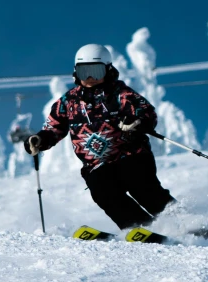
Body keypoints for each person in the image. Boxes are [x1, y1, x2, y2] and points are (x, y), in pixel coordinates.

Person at [20, 44, 175, 230]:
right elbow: (54, 126)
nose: (91, 78)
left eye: (96, 71)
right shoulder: (68, 101)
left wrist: (136, 121)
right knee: (104, 193)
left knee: (144, 190)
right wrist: (41, 139)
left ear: (108, 70)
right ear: (76, 73)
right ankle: (140, 227)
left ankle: (185, 223)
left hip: (131, 156)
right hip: (97, 166)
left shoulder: (120, 94)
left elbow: (146, 112)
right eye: (85, 72)